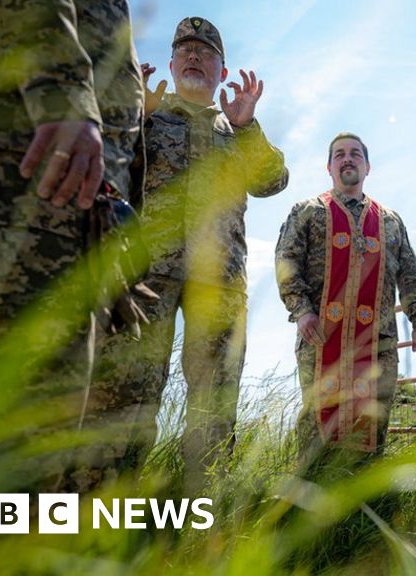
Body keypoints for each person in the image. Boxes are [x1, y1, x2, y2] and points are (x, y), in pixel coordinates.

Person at [0, 1, 144, 491]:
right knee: (32, 411)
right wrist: (60, 94)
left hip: (72, 175)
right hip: (24, 143)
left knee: (54, 417)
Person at [89, 16, 289, 493]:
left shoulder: (237, 129)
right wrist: (129, 119)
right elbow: (110, 171)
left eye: (206, 52)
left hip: (219, 281)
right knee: (128, 396)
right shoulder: (151, 116)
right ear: (174, 63)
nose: (195, 56)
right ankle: (116, 519)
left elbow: (273, 181)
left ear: (223, 72)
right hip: (145, 276)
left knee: (215, 404)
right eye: (186, 51)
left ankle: (205, 522)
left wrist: (248, 127)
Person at [275, 133, 416, 473]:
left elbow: (410, 274)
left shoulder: (390, 220)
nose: (348, 159)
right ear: (329, 166)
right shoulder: (307, 212)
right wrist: (301, 310)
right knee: (317, 423)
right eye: (340, 154)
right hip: (320, 339)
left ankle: (363, 513)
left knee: (373, 423)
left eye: (355, 154)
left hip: (378, 345)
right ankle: (308, 509)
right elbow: (286, 262)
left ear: (368, 166)